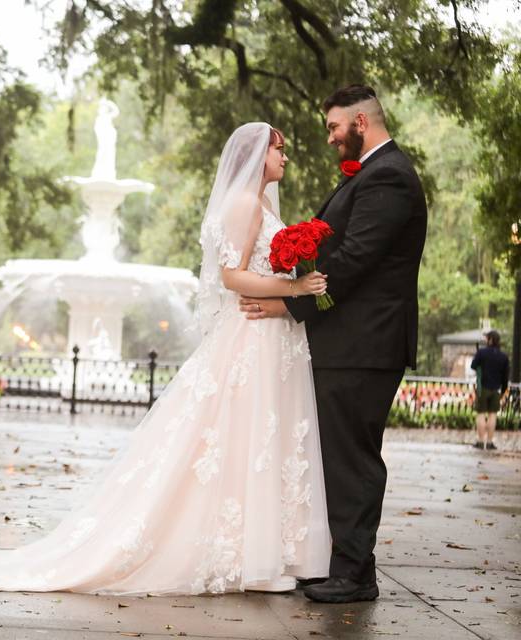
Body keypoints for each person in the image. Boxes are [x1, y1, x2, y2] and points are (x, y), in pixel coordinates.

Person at [0, 122, 332, 596]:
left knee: (258, 435)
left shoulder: (261, 204)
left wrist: (293, 285)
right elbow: (233, 277)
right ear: (257, 157)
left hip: (271, 335)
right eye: (280, 151)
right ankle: (244, 555)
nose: (285, 159)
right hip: (251, 336)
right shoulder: (245, 205)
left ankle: (263, 549)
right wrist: (296, 286)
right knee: (242, 435)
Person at [239, 85, 427, 603]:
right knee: (336, 453)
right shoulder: (371, 174)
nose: (329, 138)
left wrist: (288, 304)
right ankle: (341, 563)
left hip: (366, 345)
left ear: (360, 123)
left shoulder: (388, 176)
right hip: (347, 341)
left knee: (354, 457)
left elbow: (354, 262)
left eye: (333, 127)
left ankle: (355, 575)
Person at [471, 330, 509, 451]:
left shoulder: (482, 353)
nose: (486, 340)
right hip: (496, 389)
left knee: (481, 414)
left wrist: (480, 363)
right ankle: (490, 442)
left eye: (487, 338)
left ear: (491, 340)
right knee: (493, 415)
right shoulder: (503, 357)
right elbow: (505, 376)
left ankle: (481, 442)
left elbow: (473, 366)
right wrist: (503, 390)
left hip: (483, 388)